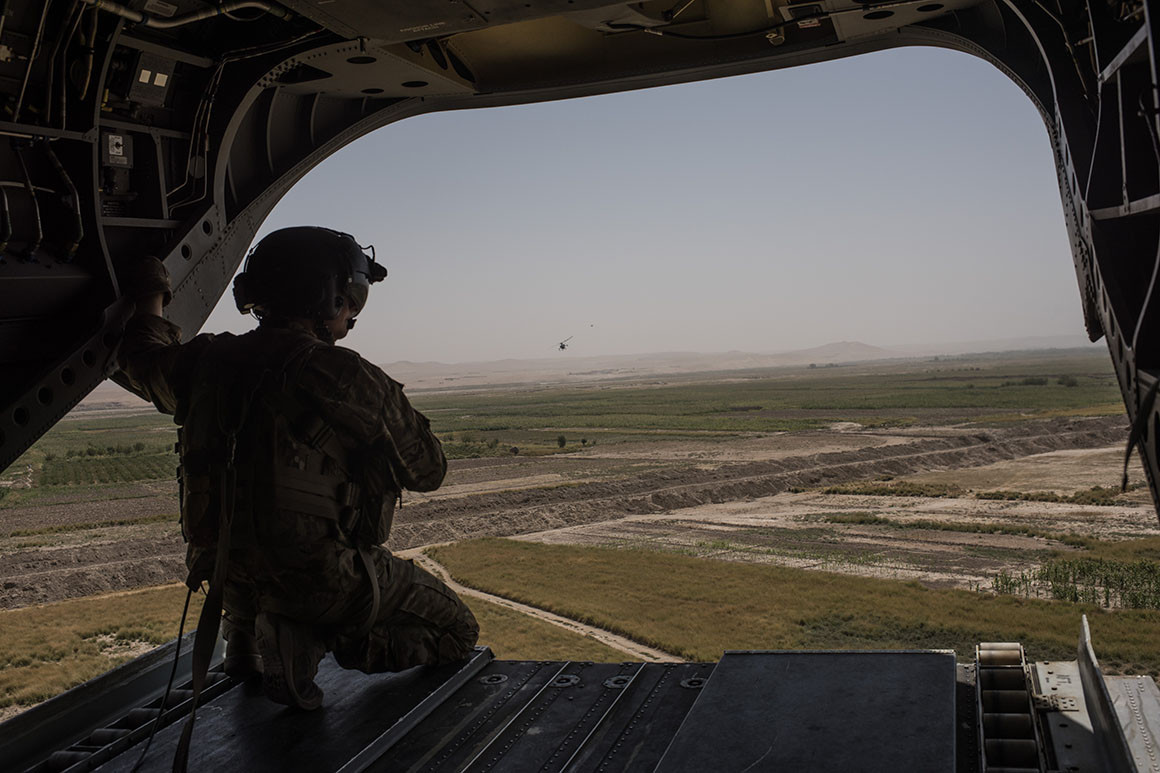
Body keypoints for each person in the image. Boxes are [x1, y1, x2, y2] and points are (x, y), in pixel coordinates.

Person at [115, 226, 479, 711]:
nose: (352, 311)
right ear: (328, 297)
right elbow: (429, 470)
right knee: (458, 630)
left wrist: (151, 293)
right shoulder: (344, 375)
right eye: (352, 298)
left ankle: (244, 634)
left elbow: (140, 355)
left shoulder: (203, 363)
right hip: (319, 583)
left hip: (227, 581)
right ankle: (304, 641)